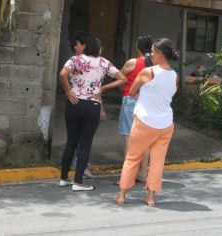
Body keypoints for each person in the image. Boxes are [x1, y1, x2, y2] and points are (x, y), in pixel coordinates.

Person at [115, 38, 179, 206]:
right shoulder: (175, 76)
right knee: (157, 162)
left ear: (159, 53)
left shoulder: (148, 72)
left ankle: (122, 195)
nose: (150, 54)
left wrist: (139, 96)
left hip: (144, 121)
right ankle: (150, 198)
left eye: (152, 51)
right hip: (165, 124)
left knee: (132, 158)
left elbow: (132, 90)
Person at [59, 34, 127, 191]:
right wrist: (103, 88)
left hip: (74, 103)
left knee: (71, 141)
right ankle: (78, 182)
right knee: (85, 144)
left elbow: (63, 74)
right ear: (97, 47)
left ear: (86, 46)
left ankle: (63, 178)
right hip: (92, 105)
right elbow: (122, 78)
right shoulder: (104, 62)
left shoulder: (75, 59)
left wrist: (68, 92)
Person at [115, 34, 153, 185]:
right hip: (148, 103)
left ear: (137, 47)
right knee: (145, 140)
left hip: (131, 101)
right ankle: (143, 174)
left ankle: (127, 176)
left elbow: (118, 76)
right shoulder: (155, 64)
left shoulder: (133, 63)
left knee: (129, 139)